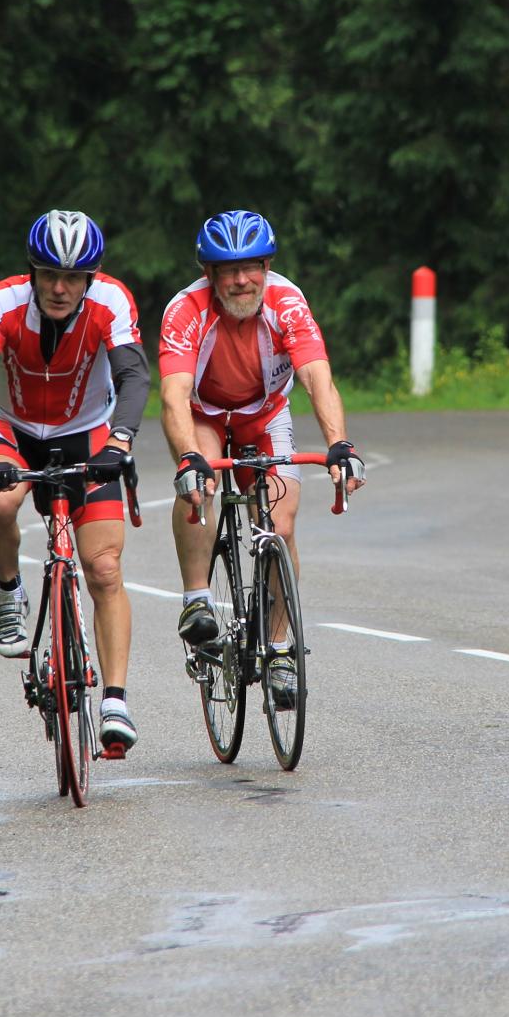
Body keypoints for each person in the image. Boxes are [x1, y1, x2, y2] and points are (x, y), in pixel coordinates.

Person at [0, 210, 150, 753]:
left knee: (104, 568)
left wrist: (120, 443)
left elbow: (133, 375)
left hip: (88, 435)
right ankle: (11, 593)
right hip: (14, 430)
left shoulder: (110, 301)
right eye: (48, 275)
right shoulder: (3, 302)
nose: (59, 289)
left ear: (91, 277)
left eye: (73, 278)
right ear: (32, 272)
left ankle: (114, 701)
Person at [157, 209, 366, 708]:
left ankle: (280, 651)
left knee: (282, 524)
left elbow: (317, 376)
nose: (241, 279)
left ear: (268, 265)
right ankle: (196, 599)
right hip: (204, 414)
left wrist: (340, 444)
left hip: (265, 414)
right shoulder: (185, 311)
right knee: (200, 485)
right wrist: (189, 458)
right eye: (228, 269)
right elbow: (173, 396)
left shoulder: (287, 302)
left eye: (251, 266)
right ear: (208, 273)